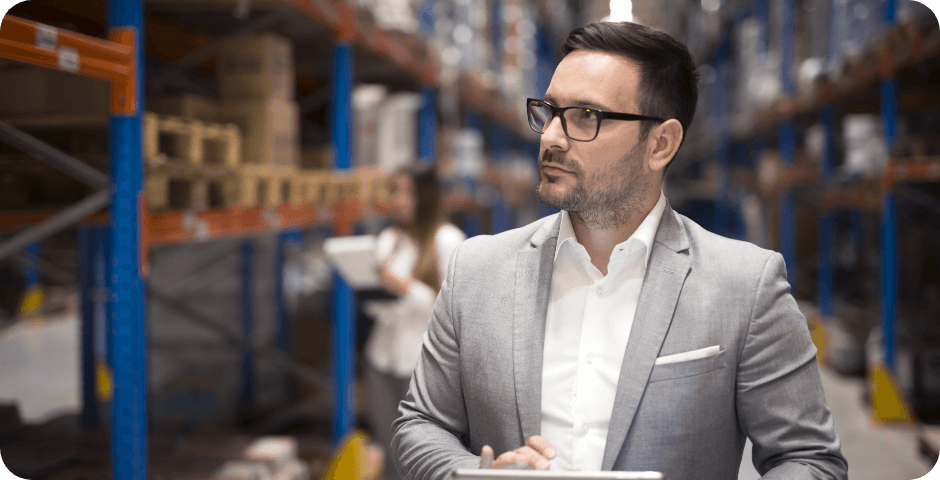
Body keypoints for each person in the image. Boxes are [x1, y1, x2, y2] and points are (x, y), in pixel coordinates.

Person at [391, 21, 848, 480]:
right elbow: (420, 424)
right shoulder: (477, 270)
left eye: (585, 116)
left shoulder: (745, 286)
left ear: (660, 144)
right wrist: (470, 472)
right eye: (548, 111)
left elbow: (808, 458)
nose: (550, 136)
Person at [363, 163, 466, 480]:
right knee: (388, 445)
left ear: (427, 195)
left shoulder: (448, 240)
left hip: (423, 367)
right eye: (395, 191)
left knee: (421, 454)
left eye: (408, 191)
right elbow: (375, 304)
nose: (399, 199)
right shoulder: (388, 239)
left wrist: (404, 287)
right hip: (381, 358)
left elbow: (456, 311)